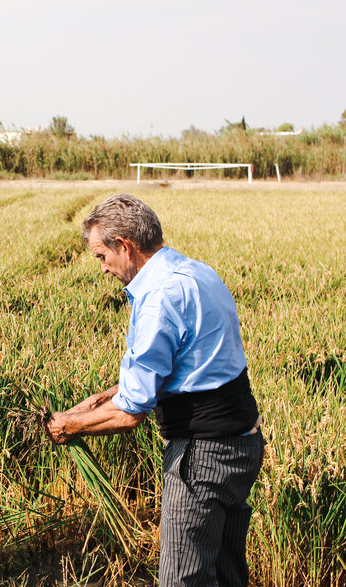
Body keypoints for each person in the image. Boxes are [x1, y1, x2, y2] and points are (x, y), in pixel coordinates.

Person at [44, 194, 264, 587]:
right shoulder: (196, 272)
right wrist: (99, 399)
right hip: (243, 445)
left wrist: (67, 427)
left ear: (125, 246)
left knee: (182, 579)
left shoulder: (159, 298)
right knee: (227, 573)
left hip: (203, 457)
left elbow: (130, 413)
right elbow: (181, 367)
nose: (103, 268)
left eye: (101, 256)